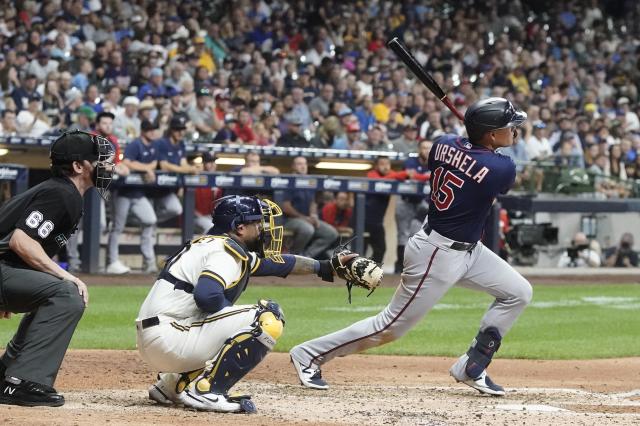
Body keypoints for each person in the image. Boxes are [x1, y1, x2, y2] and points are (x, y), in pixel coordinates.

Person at [290, 97, 533, 397]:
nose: (516, 132)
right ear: (491, 134)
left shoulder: (442, 143)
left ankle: (472, 365)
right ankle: (308, 354)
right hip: (437, 254)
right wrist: (478, 148)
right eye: (510, 127)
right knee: (390, 327)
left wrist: (473, 144)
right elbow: (492, 167)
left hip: (469, 249)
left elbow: (465, 151)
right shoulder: (501, 168)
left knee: (518, 292)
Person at [137, 195, 355, 413]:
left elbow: (275, 265)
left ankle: (170, 386)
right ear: (240, 227)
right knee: (267, 317)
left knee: (232, 325)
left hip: (162, 335)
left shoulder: (212, 243)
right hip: (171, 339)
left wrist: (326, 267)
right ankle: (208, 391)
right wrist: (232, 323)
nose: (262, 228)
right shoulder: (224, 251)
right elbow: (207, 296)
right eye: (256, 222)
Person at [0, 130, 114, 406]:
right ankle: (22, 381)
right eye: (99, 159)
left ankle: (7, 374)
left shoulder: (63, 192)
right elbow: (21, 240)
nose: (107, 166)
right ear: (78, 166)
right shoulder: (61, 193)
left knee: (54, 292)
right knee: (67, 293)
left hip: (5, 268)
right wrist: (68, 275)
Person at [106, 119, 161, 274]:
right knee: (117, 227)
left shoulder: (153, 146)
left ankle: (149, 262)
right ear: (143, 130)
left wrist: (146, 169)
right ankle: (112, 261)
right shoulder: (135, 144)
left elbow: (154, 164)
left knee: (150, 220)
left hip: (137, 192)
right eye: (149, 129)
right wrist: (146, 169)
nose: (152, 131)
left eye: (154, 129)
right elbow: (127, 163)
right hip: (123, 190)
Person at [282, 156, 338, 258]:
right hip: (289, 220)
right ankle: (293, 256)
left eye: (304, 164)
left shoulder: (310, 181)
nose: (303, 166)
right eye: (299, 164)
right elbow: (286, 207)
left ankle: (307, 257)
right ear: (293, 166)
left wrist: (314, 216)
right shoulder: (289, 181)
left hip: (307, 219)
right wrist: (305, 218)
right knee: (308, 229)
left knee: (331, 233)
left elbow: (313, 202)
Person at [394, 139, 432, 273]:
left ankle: (412, 268)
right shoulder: (410, 161)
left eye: (429, 148)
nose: (427, 151)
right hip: (406, 201)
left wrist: (419, 176)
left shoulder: (434, 163)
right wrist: (425, 177)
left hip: (422, 203)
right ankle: (399, 268)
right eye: (424, 148)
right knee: (402, 235)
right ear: (419, 150)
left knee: (418, 236)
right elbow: (409, 175)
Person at [194, 152, 223, 234]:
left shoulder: (218, 180)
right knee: (211, 227)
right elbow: (188, 205)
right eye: (209, 162)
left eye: (214, 162)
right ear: (203, 163)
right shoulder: (197, 178)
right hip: (195, 218)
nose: (212, 164)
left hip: (209, 217)